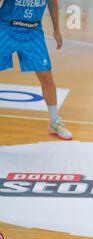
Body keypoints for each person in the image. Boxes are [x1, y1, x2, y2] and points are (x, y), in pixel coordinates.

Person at [0, 0, 72, 140]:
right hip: (6, 29)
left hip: (33, 33)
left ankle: (54, 121)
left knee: (46, 76)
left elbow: (52, 2)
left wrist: (56, 29)